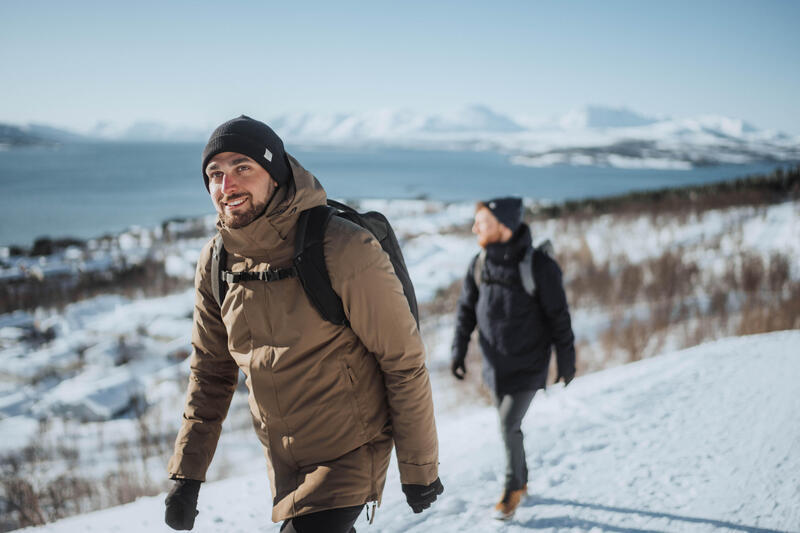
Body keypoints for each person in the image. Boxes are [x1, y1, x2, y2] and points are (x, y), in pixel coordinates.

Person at [164, 115, 442, 532]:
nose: (227, 186)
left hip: (352, 449)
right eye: (215, 174)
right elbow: (211, 373)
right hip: (284, 460)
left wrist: (419, 468)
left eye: (243, 168)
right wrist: (186, 477)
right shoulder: (216, 262)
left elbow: (403, 360)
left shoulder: (341, 245)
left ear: (275, 175)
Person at [450, 197, 575, 520]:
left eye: (483, 222)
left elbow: (559, 316)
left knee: (508, 425)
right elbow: (466, 310)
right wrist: (459, 350)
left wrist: (566, 359)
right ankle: (522, 478)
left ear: (504, 226)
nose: (475, 227)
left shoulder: (539, 267)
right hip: (496, 366)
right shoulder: (479, 263)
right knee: (510, 427)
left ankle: (513, 487)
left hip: (529, 364)